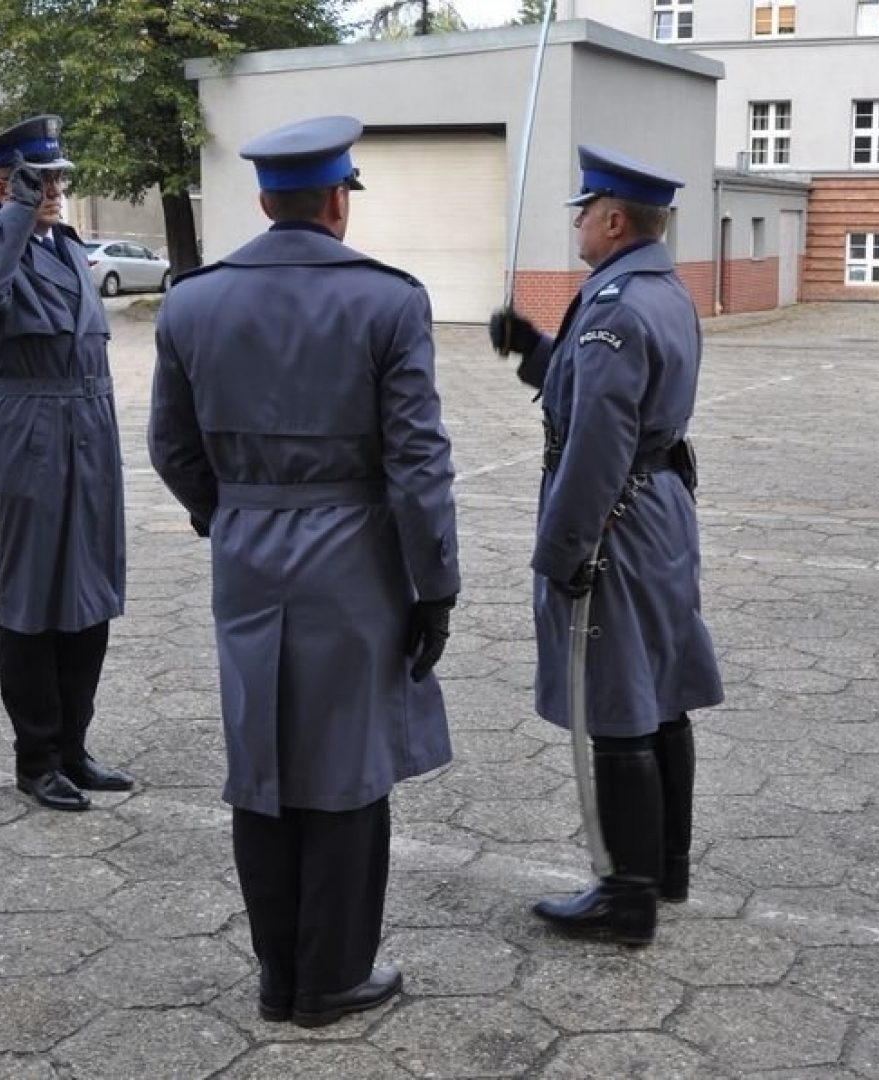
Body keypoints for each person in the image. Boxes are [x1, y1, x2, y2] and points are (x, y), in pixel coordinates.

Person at [148, 115, 460, 1027]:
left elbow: (171, 447)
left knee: (263, 766)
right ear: (337, 202)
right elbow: (418, 463)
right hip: (355, 560)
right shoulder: (389, 301)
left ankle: (279, 976)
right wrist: (433, 582)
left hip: (247, 557)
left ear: (261, 201)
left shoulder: (192, 301)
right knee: (349, 771)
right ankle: (332, 978)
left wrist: (231, 512)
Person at [488, 145, 723, 946]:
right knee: (661, 690)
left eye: (585, 212)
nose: (579, 224)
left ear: (614, 220)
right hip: (657, 510)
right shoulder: (659, 291)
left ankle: (625, 895)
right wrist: (535, 350)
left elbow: (597, 438)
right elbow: (600, 390)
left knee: (621, 701)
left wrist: (562, 549)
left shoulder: (618, 305)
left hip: (615, 515)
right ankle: (664, 867)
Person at [0, 115, 133, 813]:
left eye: (56, 179)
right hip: (28, 429)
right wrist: (16, 212)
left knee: (90, 589)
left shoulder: (68, 247)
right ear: (3, 186)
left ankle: (75, 748)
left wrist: (35, 215)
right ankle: (37, 757)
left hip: (90, 425)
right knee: (32, 595)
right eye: (39, 180)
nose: (55, 190)